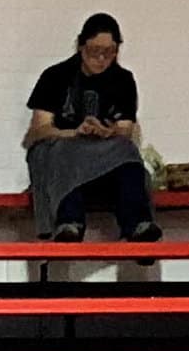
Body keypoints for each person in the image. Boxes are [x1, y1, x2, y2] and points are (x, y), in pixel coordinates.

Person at [25, 14, 160, 244]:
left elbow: (126, 129)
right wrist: (74, 132)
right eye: (94, 50)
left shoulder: (123, 80)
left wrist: (107, 132)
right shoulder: (55, 76)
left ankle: (137, 223)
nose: (101, 58)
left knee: (127, 151)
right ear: (81, 45)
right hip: (65, 148)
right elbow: (38, 131)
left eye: (109, 52)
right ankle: (69, 222)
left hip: (104, 153)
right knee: (60, 151)